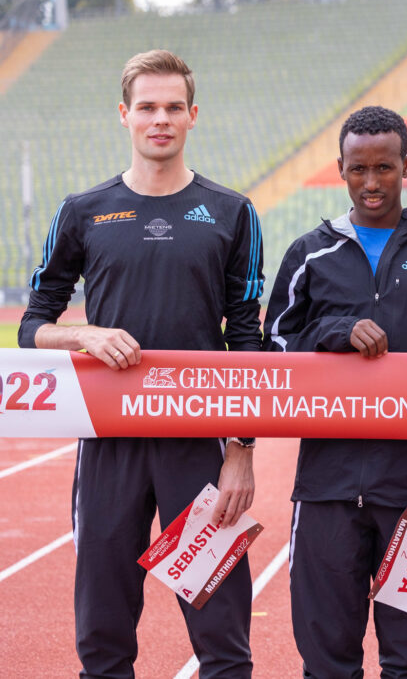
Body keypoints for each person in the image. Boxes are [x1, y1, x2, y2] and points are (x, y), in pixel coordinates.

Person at [18, 50, 263, 678]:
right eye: (147, 107)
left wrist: (241, 450)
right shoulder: (84, 211)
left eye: (173, 107)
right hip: (109, 443)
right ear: (123, 116)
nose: (161, 119)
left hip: (199, 444)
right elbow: (31, 326)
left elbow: (248, 339)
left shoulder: (233, 214)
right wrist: (85, 337)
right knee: (102, 635)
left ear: (193, 115)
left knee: (223, 634)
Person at [263, 105, 407, 679]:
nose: (370, 183)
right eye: (358, 169)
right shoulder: (309, 254)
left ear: (406, 165)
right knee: (326, 660)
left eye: (384, 168)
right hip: (326, 490)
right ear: (340, 169)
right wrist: (334, 331)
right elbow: (273, 350)